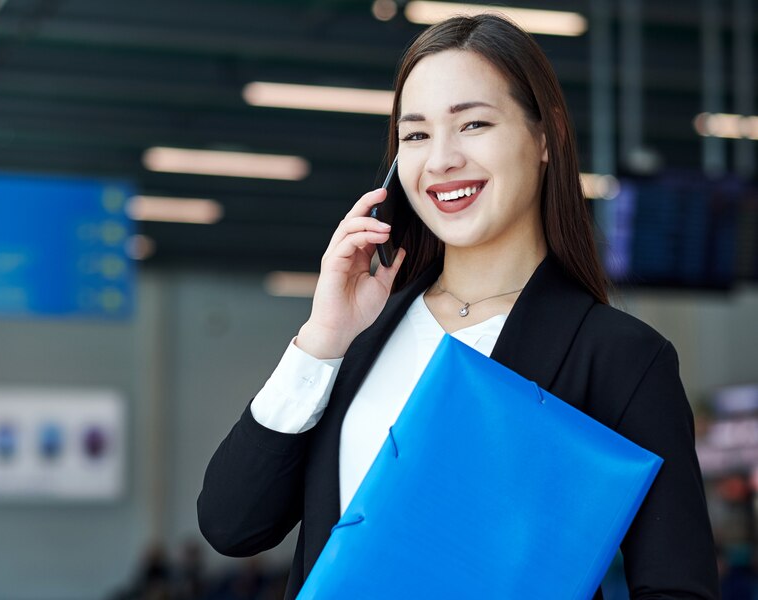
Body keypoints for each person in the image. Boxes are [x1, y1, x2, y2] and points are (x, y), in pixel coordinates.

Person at [197, 13, 719, 599]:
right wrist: (321, 339)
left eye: (472, 124)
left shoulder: (620, 359)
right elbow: (231, 524)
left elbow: (677, 587)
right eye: (416, 135)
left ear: (545, 138)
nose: (441, 159)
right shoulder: (360, 337)